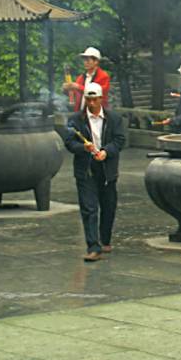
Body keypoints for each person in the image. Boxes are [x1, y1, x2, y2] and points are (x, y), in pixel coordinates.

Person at [64, 82, 126, 261]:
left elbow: (120, 140)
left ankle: (104, 239)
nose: (91, 103)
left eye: (94, 100)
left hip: (107, 169)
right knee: (89, 208)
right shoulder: (76, 120)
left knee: (108, 206)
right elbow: (69, 142)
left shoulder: (114, 119)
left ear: (101, 99)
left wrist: (106, 151)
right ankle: (93, 246)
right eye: (88, 99)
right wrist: (83, 147)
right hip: (86, 169)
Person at [64, 46, 111, 111]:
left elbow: (96, 93)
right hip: (81, 114)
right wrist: (67, 89)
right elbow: (74, 95)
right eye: (84, 60)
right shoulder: (81, 78)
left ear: (96, 61)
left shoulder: (103, 76)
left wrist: (78, 87)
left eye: (88, 60)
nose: (85, 62)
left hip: (96, 114)